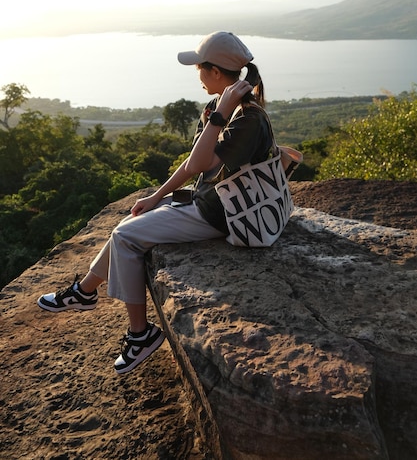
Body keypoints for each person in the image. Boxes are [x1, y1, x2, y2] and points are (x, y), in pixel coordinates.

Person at [37, 31, 272, 374]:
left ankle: (140, 335)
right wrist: (156, 196)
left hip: (224, 214)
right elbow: (192, 162)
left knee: (126, 238)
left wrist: (220, 114)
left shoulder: (245, 118)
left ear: (216, 73)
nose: (197, 74)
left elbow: (199, 165)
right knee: (127, 226)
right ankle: (84, 292)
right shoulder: (216, 106)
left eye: (199, 68)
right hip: (209, 200)